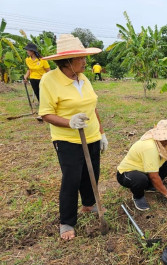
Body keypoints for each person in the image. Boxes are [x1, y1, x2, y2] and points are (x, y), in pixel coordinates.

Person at [39, 34, 109, 240]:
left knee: (92, 173)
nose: (85, 61)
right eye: (81, 58)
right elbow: (46, 113)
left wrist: (102, 133)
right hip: (67, 139)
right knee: (71, 179)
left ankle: (88, 204)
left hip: (92, 135)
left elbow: (92, 106)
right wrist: (69, 122)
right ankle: (67, 221)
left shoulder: (83, 77)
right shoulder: (49, 80)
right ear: (68, 61)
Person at [117, 120, 167, 211]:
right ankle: (138, 197)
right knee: (140, 179)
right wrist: (166, 193)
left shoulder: (166, 144)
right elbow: (154, 176)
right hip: (127, 174)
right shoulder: (150, 146)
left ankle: (149, 186)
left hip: (145, 171)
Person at [23, 42, 50, 120]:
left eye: (28, 50)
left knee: (43, 96)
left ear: (32, 51)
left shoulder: (42, 60)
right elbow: (29, 69)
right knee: (38, 96)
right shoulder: (28, 60)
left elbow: (48, 70)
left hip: (42, 80)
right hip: (33, 80)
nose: (27, 51)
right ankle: (42, 114)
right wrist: (25, 77)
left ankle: (44, 113)